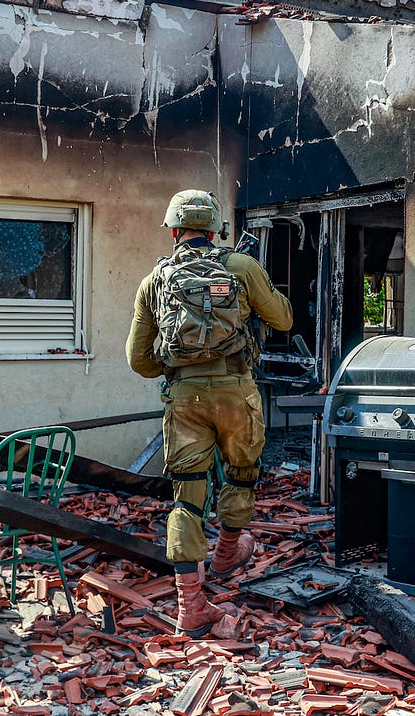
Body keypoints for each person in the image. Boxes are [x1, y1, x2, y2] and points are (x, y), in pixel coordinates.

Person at [126, 189, 293, 637]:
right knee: (240, 474)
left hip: (185, 397)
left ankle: (191, 604)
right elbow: (284, 320)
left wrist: (180, 368)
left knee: (187, 495)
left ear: (174, 231)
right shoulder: (239, 267)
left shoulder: (154, 280)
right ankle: (227, 552)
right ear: (217, 229)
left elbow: (138, 360)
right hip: (238, 391)